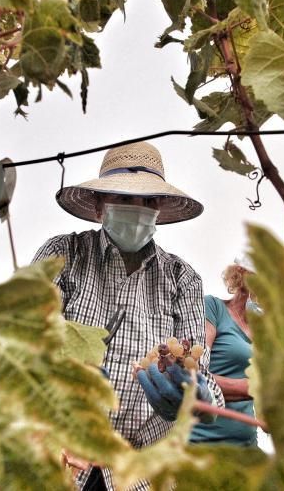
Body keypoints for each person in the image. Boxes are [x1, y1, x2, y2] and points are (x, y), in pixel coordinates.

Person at [32, 141, 224, 490]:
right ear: (99, 206)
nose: (136, 208)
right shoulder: (65, 254)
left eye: (147, 201)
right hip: (60, 460)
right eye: (124, 198)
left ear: (159, 210)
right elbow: (25, 343)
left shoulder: (182, 278)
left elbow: (201, 371)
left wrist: (195, 397)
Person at [190, 257, 259, 447]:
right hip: (202, 444)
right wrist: (251, 388)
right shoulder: (213, 307)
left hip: (246, 447)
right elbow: (194, 375)